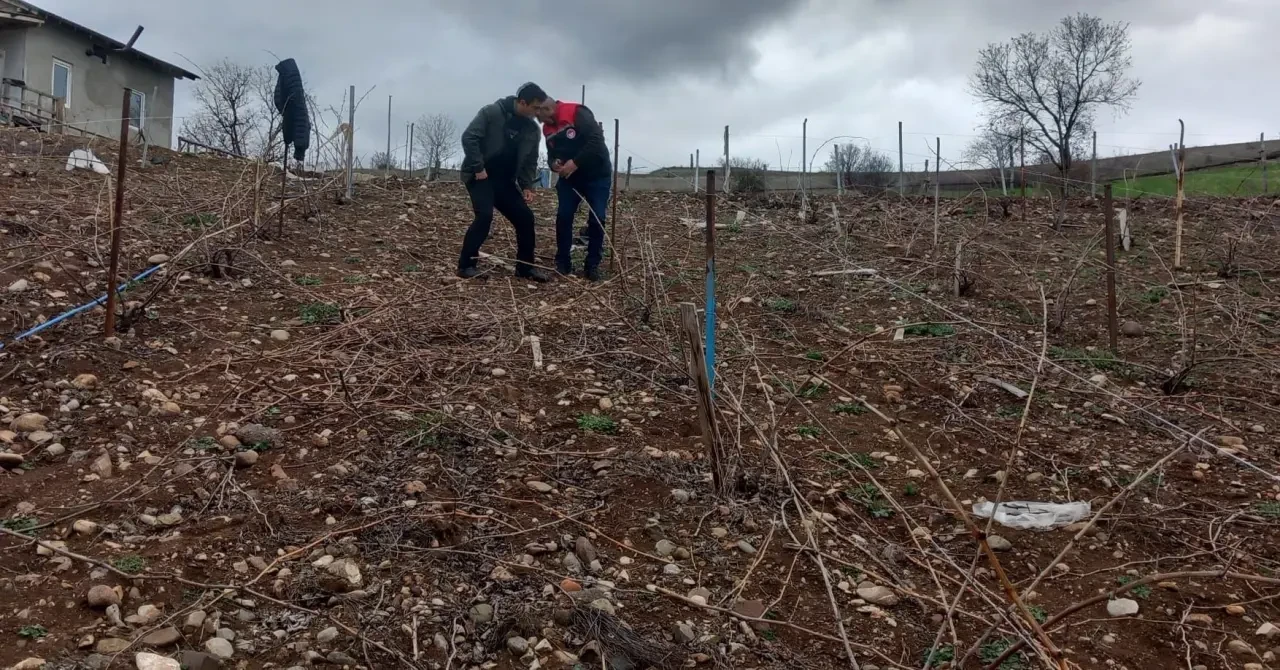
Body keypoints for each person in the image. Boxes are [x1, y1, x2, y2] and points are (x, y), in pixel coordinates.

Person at [456, 83, 550, 281]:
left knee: (525, 218)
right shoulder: (491, 113)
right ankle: (466, 266)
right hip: (481, 176)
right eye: (535, 108)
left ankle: (525, 268)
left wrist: (527, 186)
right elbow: (469, 138)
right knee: (484, 217)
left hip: (505, 181)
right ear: (522, 102)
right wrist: (478, 167)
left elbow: (530, 160)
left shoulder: (532, 130)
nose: (538, 113)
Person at [538, 97, 612, 281]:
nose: (540, 122)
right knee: (563, 216)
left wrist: (575, 163)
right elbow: (551, 154)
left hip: (597, 175)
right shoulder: (547, 129)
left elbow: (596, 141)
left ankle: (592, 265)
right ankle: (562, 263)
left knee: (597, 218)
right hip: (570, 179)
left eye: (541, 116)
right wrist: (554, 163)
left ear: (548, 108)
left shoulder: (578, 113)